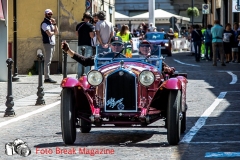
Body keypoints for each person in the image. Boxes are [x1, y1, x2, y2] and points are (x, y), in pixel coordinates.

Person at [61, 40, 173, 73]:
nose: (116, 47)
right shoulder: (102, 56)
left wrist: (167, 68)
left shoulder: (127, 59)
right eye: (114, 45)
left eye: (119, 45)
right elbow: (85, 61)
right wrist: (68, 50)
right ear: (110, 46)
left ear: (122, 46)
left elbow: (155, 64)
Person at [41, 9, 58, 83]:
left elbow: (56, 32)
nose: (50, 15)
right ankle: (46, 77)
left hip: (52, 43)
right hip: (47, 43)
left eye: (51, 14)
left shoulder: (50, 23)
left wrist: (54, 24)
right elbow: (49, 34)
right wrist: (53, 32)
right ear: (45, 14)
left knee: (49, 61)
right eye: (48, 14)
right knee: (47, 61)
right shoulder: (44, 24)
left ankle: (47, 76)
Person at [75, 12, 95, 78]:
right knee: (88, 61)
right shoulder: (90, 25)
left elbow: (77, 34)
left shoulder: (78, 25)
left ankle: (79, 76)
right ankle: (87, 76)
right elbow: (91, 36)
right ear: (89, 18)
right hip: (88, 45)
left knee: (80, 60)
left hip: (80, 44)